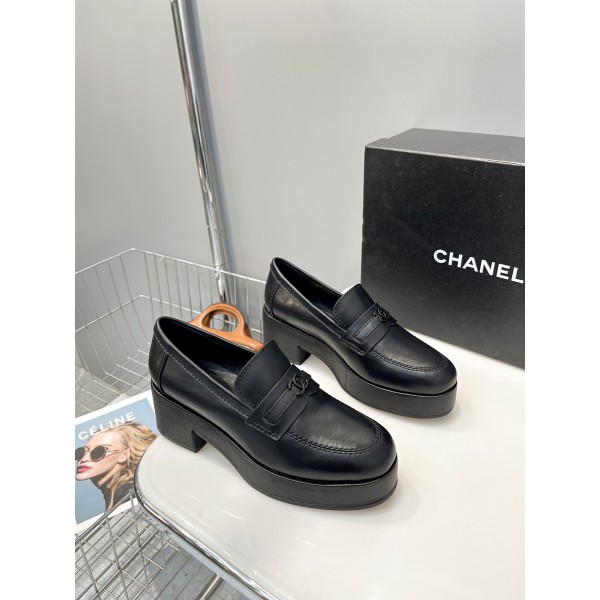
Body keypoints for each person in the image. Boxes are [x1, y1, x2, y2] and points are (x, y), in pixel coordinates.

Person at [75, 422, 157, 510]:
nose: (84, 459)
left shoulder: (130, 494)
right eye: (83, 451)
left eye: (99, 451)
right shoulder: (116, 493)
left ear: (124, 455)